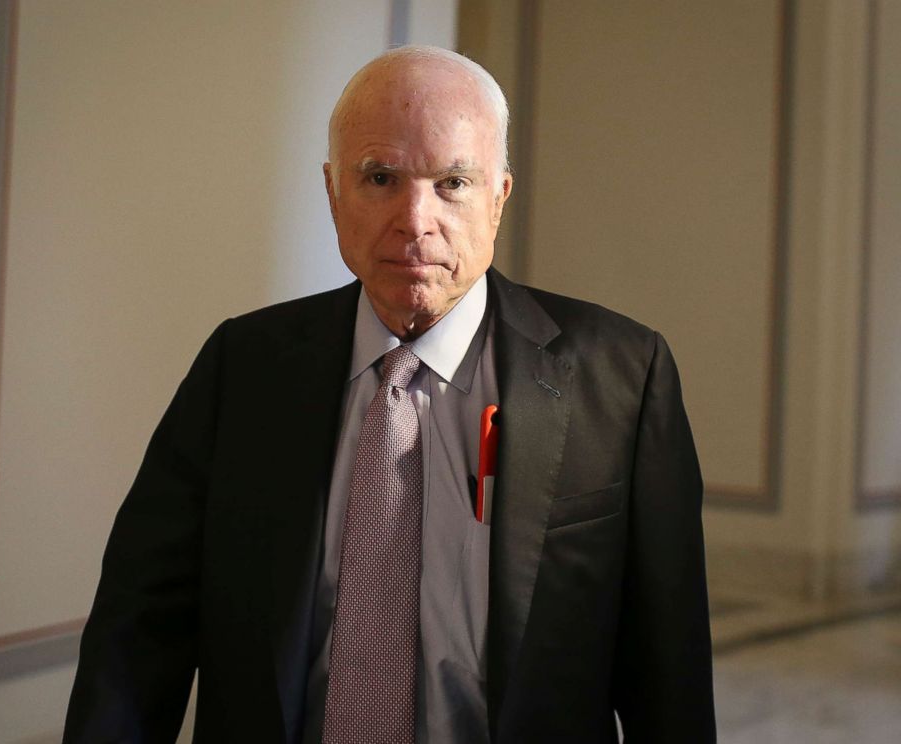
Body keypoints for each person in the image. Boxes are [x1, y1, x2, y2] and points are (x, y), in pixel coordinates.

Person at [63, 45, 715, 743]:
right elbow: (139, 633)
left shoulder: (621, 375)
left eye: (453, 183)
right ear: (333, 192)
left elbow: (668, 674)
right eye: (380, 177)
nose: (414, 218)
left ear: (498, 199)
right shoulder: (242, 366)